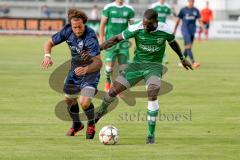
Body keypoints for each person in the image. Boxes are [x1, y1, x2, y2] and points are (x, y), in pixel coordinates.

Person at [95, 9, 192, 144]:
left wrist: (182, 58)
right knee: (112, 91)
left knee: (152, 94)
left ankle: (150, 135)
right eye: (144, 24)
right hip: (137, 65)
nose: (145, 27)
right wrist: (98, 49)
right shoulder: (136, 27)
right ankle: (100, 112)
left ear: (156, 22)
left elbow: (173, 42)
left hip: (154, 67)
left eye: (148, 25)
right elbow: (116, 38)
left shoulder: (165, 29)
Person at [41, 9, 102, 139]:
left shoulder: (90, 37)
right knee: (69, 99)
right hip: (75, 71)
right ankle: (77, 124)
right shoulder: (68, 30)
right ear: (71, 25)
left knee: (84, 102)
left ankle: (91, 123)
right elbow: (49, 42)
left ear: (84, 23)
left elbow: (98, 62)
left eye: (80, 26)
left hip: (91, 72)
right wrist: (47, 56)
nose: (77, 30)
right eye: (75, 27)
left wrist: (86, 70)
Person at [99, 0, 135, 92]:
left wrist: (135, 42)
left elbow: (133, 28)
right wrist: (101, 40)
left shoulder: (130, 9)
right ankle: (108, 82)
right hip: (110, 42)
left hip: (123, 42)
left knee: (123, 68)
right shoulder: (108, 8)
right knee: (109, 68)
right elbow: (102, 25)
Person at [174, 0, 204, 69]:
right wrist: (175, 30)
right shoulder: (183, 10)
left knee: (188, 47)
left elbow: (199, 20)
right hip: (185, 30)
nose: (192, 2)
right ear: (188, 1)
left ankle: (182, 62)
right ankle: (193, 62)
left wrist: (203, 27)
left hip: (192, 30)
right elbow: (178, 20)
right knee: (188, 45)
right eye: (190, 1)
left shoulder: (196, 10)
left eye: (193, 1)